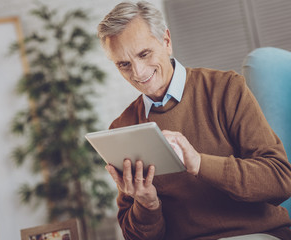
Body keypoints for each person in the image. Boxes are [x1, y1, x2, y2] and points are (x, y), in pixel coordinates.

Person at [97, 1, 291, 240]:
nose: (137, 72)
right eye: (123, 65)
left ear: (166, 41)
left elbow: (280, 181)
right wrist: (147, 205)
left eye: (144, 54)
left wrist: (199, 163)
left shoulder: (226, 88)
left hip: (255, 233)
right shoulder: (123, 128)